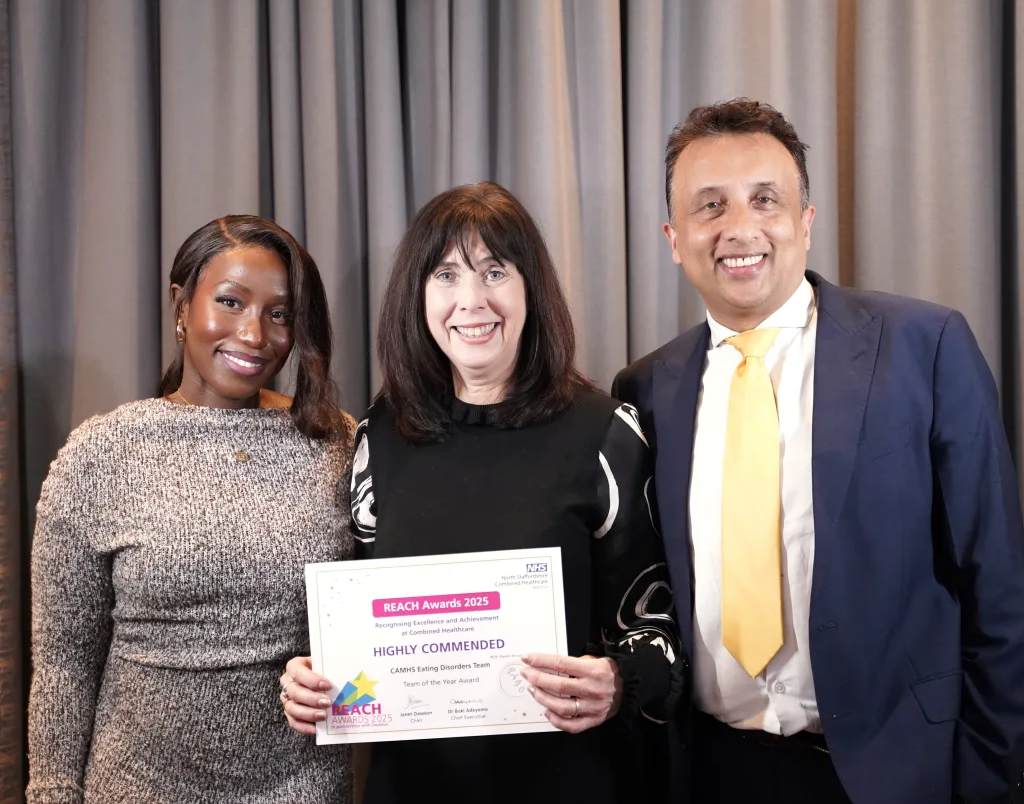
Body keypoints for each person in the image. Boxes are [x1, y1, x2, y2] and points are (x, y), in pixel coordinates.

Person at [612, 97, 1024, 804]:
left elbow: (997, 586)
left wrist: (991, 780)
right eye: (710, 206)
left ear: (804, 220)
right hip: (710, 771)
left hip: (897, 772)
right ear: (675, 239)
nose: (740, 228)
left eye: (764, 200)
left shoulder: (924, 348)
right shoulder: (644, 389)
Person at [279, 182, 683, 804]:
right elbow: (355, 619)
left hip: (564, 784)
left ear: (530, 290)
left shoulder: (605, 433)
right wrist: (314, 675)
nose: (471, 300)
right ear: (418, 296)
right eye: (446, 276)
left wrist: (619, 682)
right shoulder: (379, 437)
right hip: (411, 789)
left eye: (495, 272)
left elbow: (660, 632)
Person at [27, 215, 356, 803]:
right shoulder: (101, 453)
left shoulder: (338, 443)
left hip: (300, 784)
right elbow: (64, 661)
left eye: (280, 314)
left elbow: (377, 617)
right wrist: (51, 793)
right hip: (136, 785)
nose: (254, 334)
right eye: (230, 302)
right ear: (182, 305)